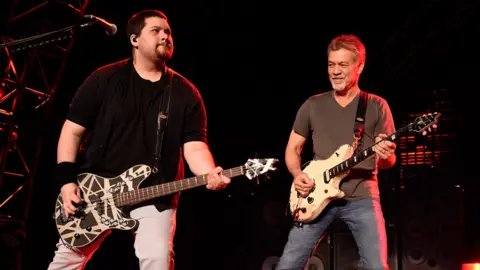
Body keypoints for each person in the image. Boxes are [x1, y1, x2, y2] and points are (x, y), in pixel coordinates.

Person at [47, 9, 231, 270]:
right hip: (96, 191)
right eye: (156, 31)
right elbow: (72, 131)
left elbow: (195, 145)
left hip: (154, 193)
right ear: (134, 40)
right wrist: (66, 182)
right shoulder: (103, 79)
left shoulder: (185, 93)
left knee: (157, 258)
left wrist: (209, 172)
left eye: (168, 32)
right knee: (66, 261)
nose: (165, 36)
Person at [276, 34, 397, 270]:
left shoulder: (376, 105)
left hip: (362, 196)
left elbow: (388, 162)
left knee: (376, 266)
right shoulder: (312, 104)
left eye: (343, 65)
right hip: (316, 193)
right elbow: (292, 148)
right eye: (332, 65)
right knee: (288, 265)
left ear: (359, 66)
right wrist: (296, 174)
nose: (336, 71)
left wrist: (385, 155)